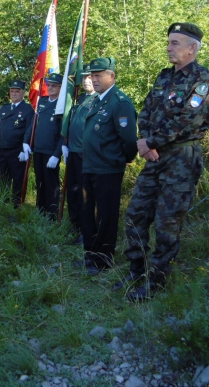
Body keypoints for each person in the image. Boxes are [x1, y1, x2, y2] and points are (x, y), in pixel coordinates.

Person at [118, 23, 209, 302]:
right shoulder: (164, 78)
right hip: (155, 157)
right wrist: (145, 142)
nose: (169, 47)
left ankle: (156, 281)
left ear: (192, 48)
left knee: (167, 222)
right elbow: (146, 110)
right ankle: (136, 271)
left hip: (181, 158)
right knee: (136, 214)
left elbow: (190, 118)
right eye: (169, 42)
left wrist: (151, 142)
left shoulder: (202, 79)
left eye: (175, 43)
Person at [74, 58, 138, 275]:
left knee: (105, 215)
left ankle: (103, 260)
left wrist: (119, 159)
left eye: (99, 75)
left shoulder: (119, 102)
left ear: (112, 76)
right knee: (88, 212)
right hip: (90, 166)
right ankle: (90, 255)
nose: (94, 79)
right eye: (92, 75)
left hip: (108, 169)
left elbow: (129, 140)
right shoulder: (97, 100)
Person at [62, 66, 98, 243]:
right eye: (84, 78)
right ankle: (75, 224)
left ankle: (87, 230)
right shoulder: (80, 99)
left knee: (86, 194)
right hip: (73, 152)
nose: (86, 81)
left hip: (87, 154)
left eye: (90, 77)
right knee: (73, 190)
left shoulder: (98, 100)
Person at [0, 80, 35, 207]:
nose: (14, 93)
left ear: (23, 93)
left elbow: (29, 129)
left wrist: (25, 147)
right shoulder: (4, 108)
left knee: (18, 178)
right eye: (12, 91)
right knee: (3, 177)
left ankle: (17, 205)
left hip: (18, 150)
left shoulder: (27, 110)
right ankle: (3, 203)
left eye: (17, 91)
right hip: (3, 149)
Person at [28, 73, 64, 220]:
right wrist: (26, 142)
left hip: (51, 151)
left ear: (61, 88)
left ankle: (52, 214)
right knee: (40, 181)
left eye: (54, 85)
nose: (50, 88)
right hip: (38, 149)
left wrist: (57, 154)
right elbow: (33, 125)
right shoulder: (42, 102)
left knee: (51, 184)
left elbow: (63, 133)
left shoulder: (62, 106)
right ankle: (40, 210)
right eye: (49, 85)